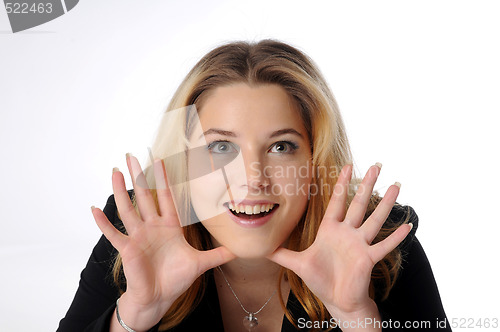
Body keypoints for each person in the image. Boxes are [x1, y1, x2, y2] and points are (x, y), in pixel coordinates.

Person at [58, 40, 450, 332]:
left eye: (281, 146)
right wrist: (132, 317)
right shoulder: (136, 227)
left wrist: (358, 319)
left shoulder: (378, 239)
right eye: (221, 147)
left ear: (315, 161)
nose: (252, 177)